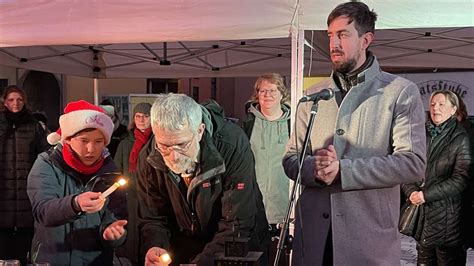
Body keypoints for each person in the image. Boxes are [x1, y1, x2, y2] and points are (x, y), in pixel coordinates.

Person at [282, 2, 427, 265]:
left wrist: (344, 171)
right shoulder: (312, 95)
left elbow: (412, 164)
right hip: (313, 243)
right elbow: (291, 159)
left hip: (368, 244)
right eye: (330, 35)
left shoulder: (400, 93)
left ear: (366, 39)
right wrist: (314, 168)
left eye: (343, 34)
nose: (334, 43)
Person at [136, 94, 269, 265]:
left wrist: (203, 262)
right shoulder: (149, 157)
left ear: (199, 131)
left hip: (235, 246)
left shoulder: (231, 145)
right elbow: (152, 216)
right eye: (164, 146)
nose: (173, 156)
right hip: (184, 246)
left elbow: (237, 221)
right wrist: (155, 246)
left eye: (182, 145)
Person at [27, 100, 127, 265]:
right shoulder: (47, 163)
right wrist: (75, 204)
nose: (91, 149)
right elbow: (43, 210)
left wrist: (113, 233)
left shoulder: (110, 170)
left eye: (98, 141)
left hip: (94, 260)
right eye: (84, 141)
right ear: (67, 139)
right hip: (51, 258)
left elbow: (117, 215)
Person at [402, 90, 472, 265]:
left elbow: (462, 178)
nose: (436, 108)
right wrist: (410, 191)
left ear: (453, 109)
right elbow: (407, 167)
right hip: (423, 219)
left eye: (442, 104)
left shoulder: (461, 137)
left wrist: (426, 195)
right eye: (433, 104)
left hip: (449, 222)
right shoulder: (420, 134)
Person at [242, 73, 291, 265]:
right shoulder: (246, 124)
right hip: (253, 209)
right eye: (263, 90)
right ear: (257, 94)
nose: (267, 95)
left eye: (273, 90)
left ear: (282, 94)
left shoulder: (293, 123)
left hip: (285, 208)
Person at [0, 85, 49, 265]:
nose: (15, 103)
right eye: (11, 99)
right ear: (5, 102)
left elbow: (44, 154)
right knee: (3, 247)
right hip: (3, 190)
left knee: (24, 241)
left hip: (25, 189)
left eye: (19, 100)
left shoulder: (33, 125)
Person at [114, 102, 153, 265]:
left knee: (150, 229)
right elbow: (117, 169)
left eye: (145, 116)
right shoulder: (125, 143)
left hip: (151, 194)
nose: (141, 120)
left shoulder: (157, 141)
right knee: (131, 232)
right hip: (130, 194)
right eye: (138, 116)